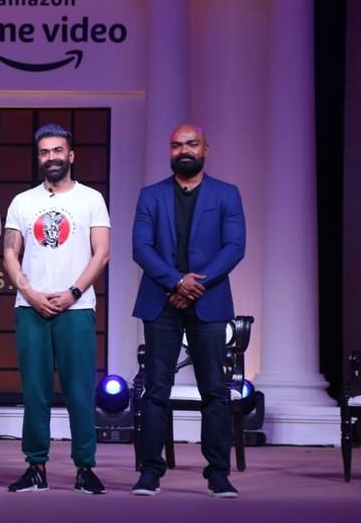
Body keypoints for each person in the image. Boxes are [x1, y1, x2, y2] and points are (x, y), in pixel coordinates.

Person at [131, 124, 246, 498]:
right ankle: (150, 472)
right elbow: (141, 248)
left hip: (208, 301)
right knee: (156, 390)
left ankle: (218, 474)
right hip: (161, 300)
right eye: (177, 145)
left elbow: (234, 247)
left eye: (192, 144)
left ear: (205, 149)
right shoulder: (150, 196)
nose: (184, 150)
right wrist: (177, 282)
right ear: (170, 151)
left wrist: (196, 284)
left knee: (215, 390)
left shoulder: (227, 194)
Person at [3, 123, 111, 494]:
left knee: (80, 392)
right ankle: (35, 466)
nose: (51, 157)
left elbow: (102, 252)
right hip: (30, 307)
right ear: (39, 158)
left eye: (58, 150)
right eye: (45, 152)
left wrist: (74, 292)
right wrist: (30, 293)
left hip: (76, 309)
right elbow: (9, 253)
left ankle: (85, 467)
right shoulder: (23, 202)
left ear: (71, 155)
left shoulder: (91, 199)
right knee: (35, 392)